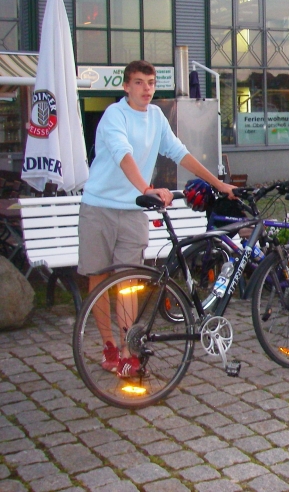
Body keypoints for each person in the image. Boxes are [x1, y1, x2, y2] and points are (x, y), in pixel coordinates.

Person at [78, 60, 237, 378]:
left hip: (133, 211)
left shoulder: (156, 118)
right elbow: (123, 156)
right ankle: (108, 345)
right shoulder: (115, 115)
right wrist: (147, 189)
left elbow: (181, 153)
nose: (146, 89)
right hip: (99, 208)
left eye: (150, 83)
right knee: (98, 278)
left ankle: (128, 352)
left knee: (127, 283)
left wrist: (219, 184)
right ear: (126, 87)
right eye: (139, 82)